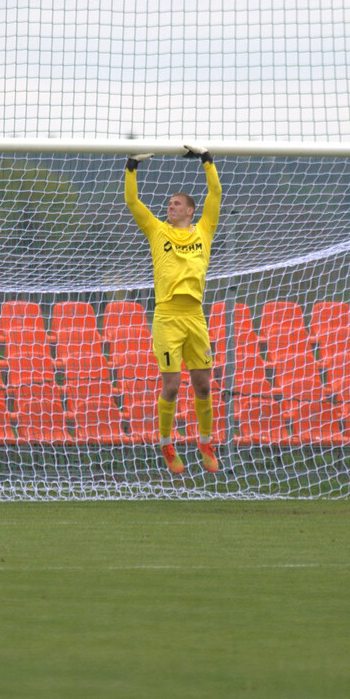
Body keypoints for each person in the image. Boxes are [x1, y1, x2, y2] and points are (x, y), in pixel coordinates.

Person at [124, 144, 222, 474]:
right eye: (170, 203)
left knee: (204, 384)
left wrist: (207, 160)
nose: (171, 206)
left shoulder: (204, 231)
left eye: (177, 203)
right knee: (171, 385)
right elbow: (133, 203)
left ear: (190, 211)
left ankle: (205, 440)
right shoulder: (157, 230)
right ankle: (166, 443)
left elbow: (216, 194)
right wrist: (132, 166)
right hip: (167, 315)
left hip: (195, 315)